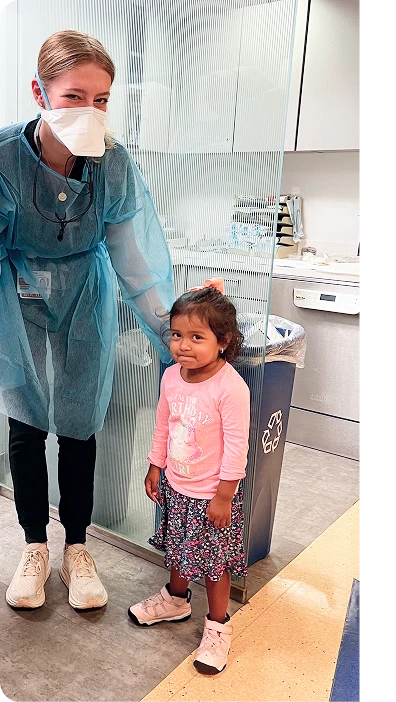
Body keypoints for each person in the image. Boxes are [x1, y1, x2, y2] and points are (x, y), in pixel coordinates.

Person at [0, 30, 174, 610]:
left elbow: (134, 260)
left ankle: (76, 546)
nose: (90, 111)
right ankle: (33, 546)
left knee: (79, 421)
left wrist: (170, 333)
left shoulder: (112, 163)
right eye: (74, 96)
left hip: (84, 293)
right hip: (15, 293)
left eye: (101, 100)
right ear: (40, 93)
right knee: (25, 417)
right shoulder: (4, 158)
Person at [128, 285, 250, 676]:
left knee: (214, 566)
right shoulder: (171, 377)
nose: (183, 345)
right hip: (177, 487)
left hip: (213, 496)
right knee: (178, 550)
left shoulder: (230, 387)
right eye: (177, 335)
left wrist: (224, 496)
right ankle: (176, 600)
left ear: (223, 341)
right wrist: (155, 465)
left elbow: (237, 447)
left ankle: (218, 627)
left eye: (197, 337)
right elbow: (163, 425)